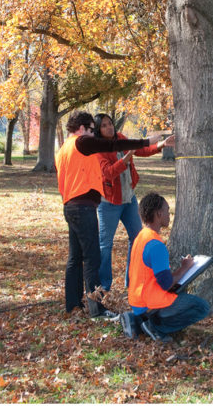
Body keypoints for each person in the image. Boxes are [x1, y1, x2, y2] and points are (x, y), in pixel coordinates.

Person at [55, 110, 168, 318]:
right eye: (91, 129)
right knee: (92, 257)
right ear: (81, 129)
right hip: (82, 206)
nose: (93, 134)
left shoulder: (63, 149)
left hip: (70, 205)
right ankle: (97, 309)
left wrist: (154, 145)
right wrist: (145, 141)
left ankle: (73, 305)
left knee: (76, 257)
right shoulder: (81, 142)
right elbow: (110, 146)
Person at [93, 112, 174, 291]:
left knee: (137, 239)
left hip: (128, 199)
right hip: (109, 202)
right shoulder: (98, 149)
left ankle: (132, 283)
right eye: (104, 125)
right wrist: (128, 156)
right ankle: (103, 288)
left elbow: (141, 150)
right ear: (98, 129)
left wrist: (161, 144)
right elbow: (109, 172)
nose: (109, 127)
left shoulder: (121, 138)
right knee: (105, 245)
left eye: (110, 123)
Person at [121, 192, 211, 342]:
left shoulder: (141, 237)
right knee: (202, 307)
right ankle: (155, 328)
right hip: (149, 302)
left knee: (181, 292)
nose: (169, 215)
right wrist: (186, 267)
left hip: (137, 299)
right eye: (167, 211)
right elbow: (166, 283)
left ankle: (139, 321)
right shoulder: (156, 245)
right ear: (158, 213)